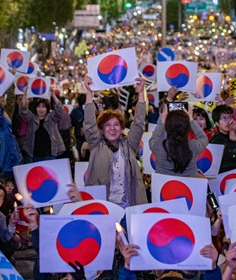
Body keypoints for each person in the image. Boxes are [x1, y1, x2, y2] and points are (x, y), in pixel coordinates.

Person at [83, 76, 147, 207]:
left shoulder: (129, 145)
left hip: (128, 206)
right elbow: (89, 123)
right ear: (101, 129)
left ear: (122, 128)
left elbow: (139, 123)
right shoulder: (96, 145)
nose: (112, 128)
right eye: (107, 125)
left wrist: (141, 93)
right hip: (103, 208)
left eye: (116, 124)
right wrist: (89, 92)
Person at [149, 105, 208, 177]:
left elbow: (154, 138)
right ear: (188, 128)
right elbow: (203, 138)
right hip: (188, 187)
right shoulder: (193, 146)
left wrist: (162, 122)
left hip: (163, 187)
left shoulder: (158, 146)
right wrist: (191, 120)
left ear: (167, 127)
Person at [19, 91, 67, 162]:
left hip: (50, 155)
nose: (41, 109)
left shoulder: (51, 118)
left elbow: (59, 109)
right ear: (35, 108)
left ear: (47, 108)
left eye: (43, 107)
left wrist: (53, 94)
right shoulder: (31, 118)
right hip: (34, 155)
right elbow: (23, 110)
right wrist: (25, 94)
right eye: (39, 107)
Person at [210, 105, 236, 173]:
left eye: (230, 117)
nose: (228, 121)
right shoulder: (216, 140)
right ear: (217, 123)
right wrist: (232, 132)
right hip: (224, 176)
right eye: (224, 118)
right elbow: (232, 157)